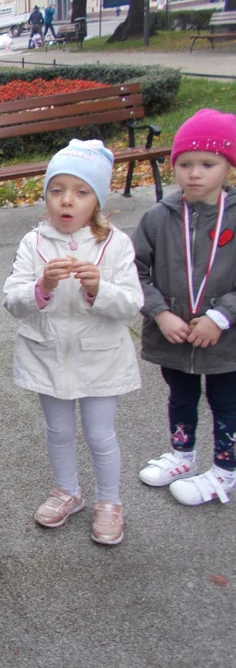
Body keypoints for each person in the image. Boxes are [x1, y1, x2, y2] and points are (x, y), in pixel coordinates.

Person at [3, 140, 143, 545]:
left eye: (81, 192)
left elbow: (132, 303)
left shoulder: (115, 244)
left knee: (100, 434)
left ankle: (109, 501)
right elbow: (12, 301)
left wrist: (101, 288)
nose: (67, 201)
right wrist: (41, 286)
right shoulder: (34, 243)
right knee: (58, 430)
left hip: (99, 358)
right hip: (48, 355)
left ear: (97, 199)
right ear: (45, 194)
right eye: (57, 189)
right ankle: (67, 491)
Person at [132, 109, 236, 506]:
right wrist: (159, 312)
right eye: (185, 164)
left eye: (208, 164)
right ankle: (182, 454)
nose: (194, 173)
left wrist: (219, 317)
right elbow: (134, 272)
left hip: (225, 342)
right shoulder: (159, 217)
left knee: (227, 403)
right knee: (180, 396)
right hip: (174, 336)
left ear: (228, 166)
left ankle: (225, 471)